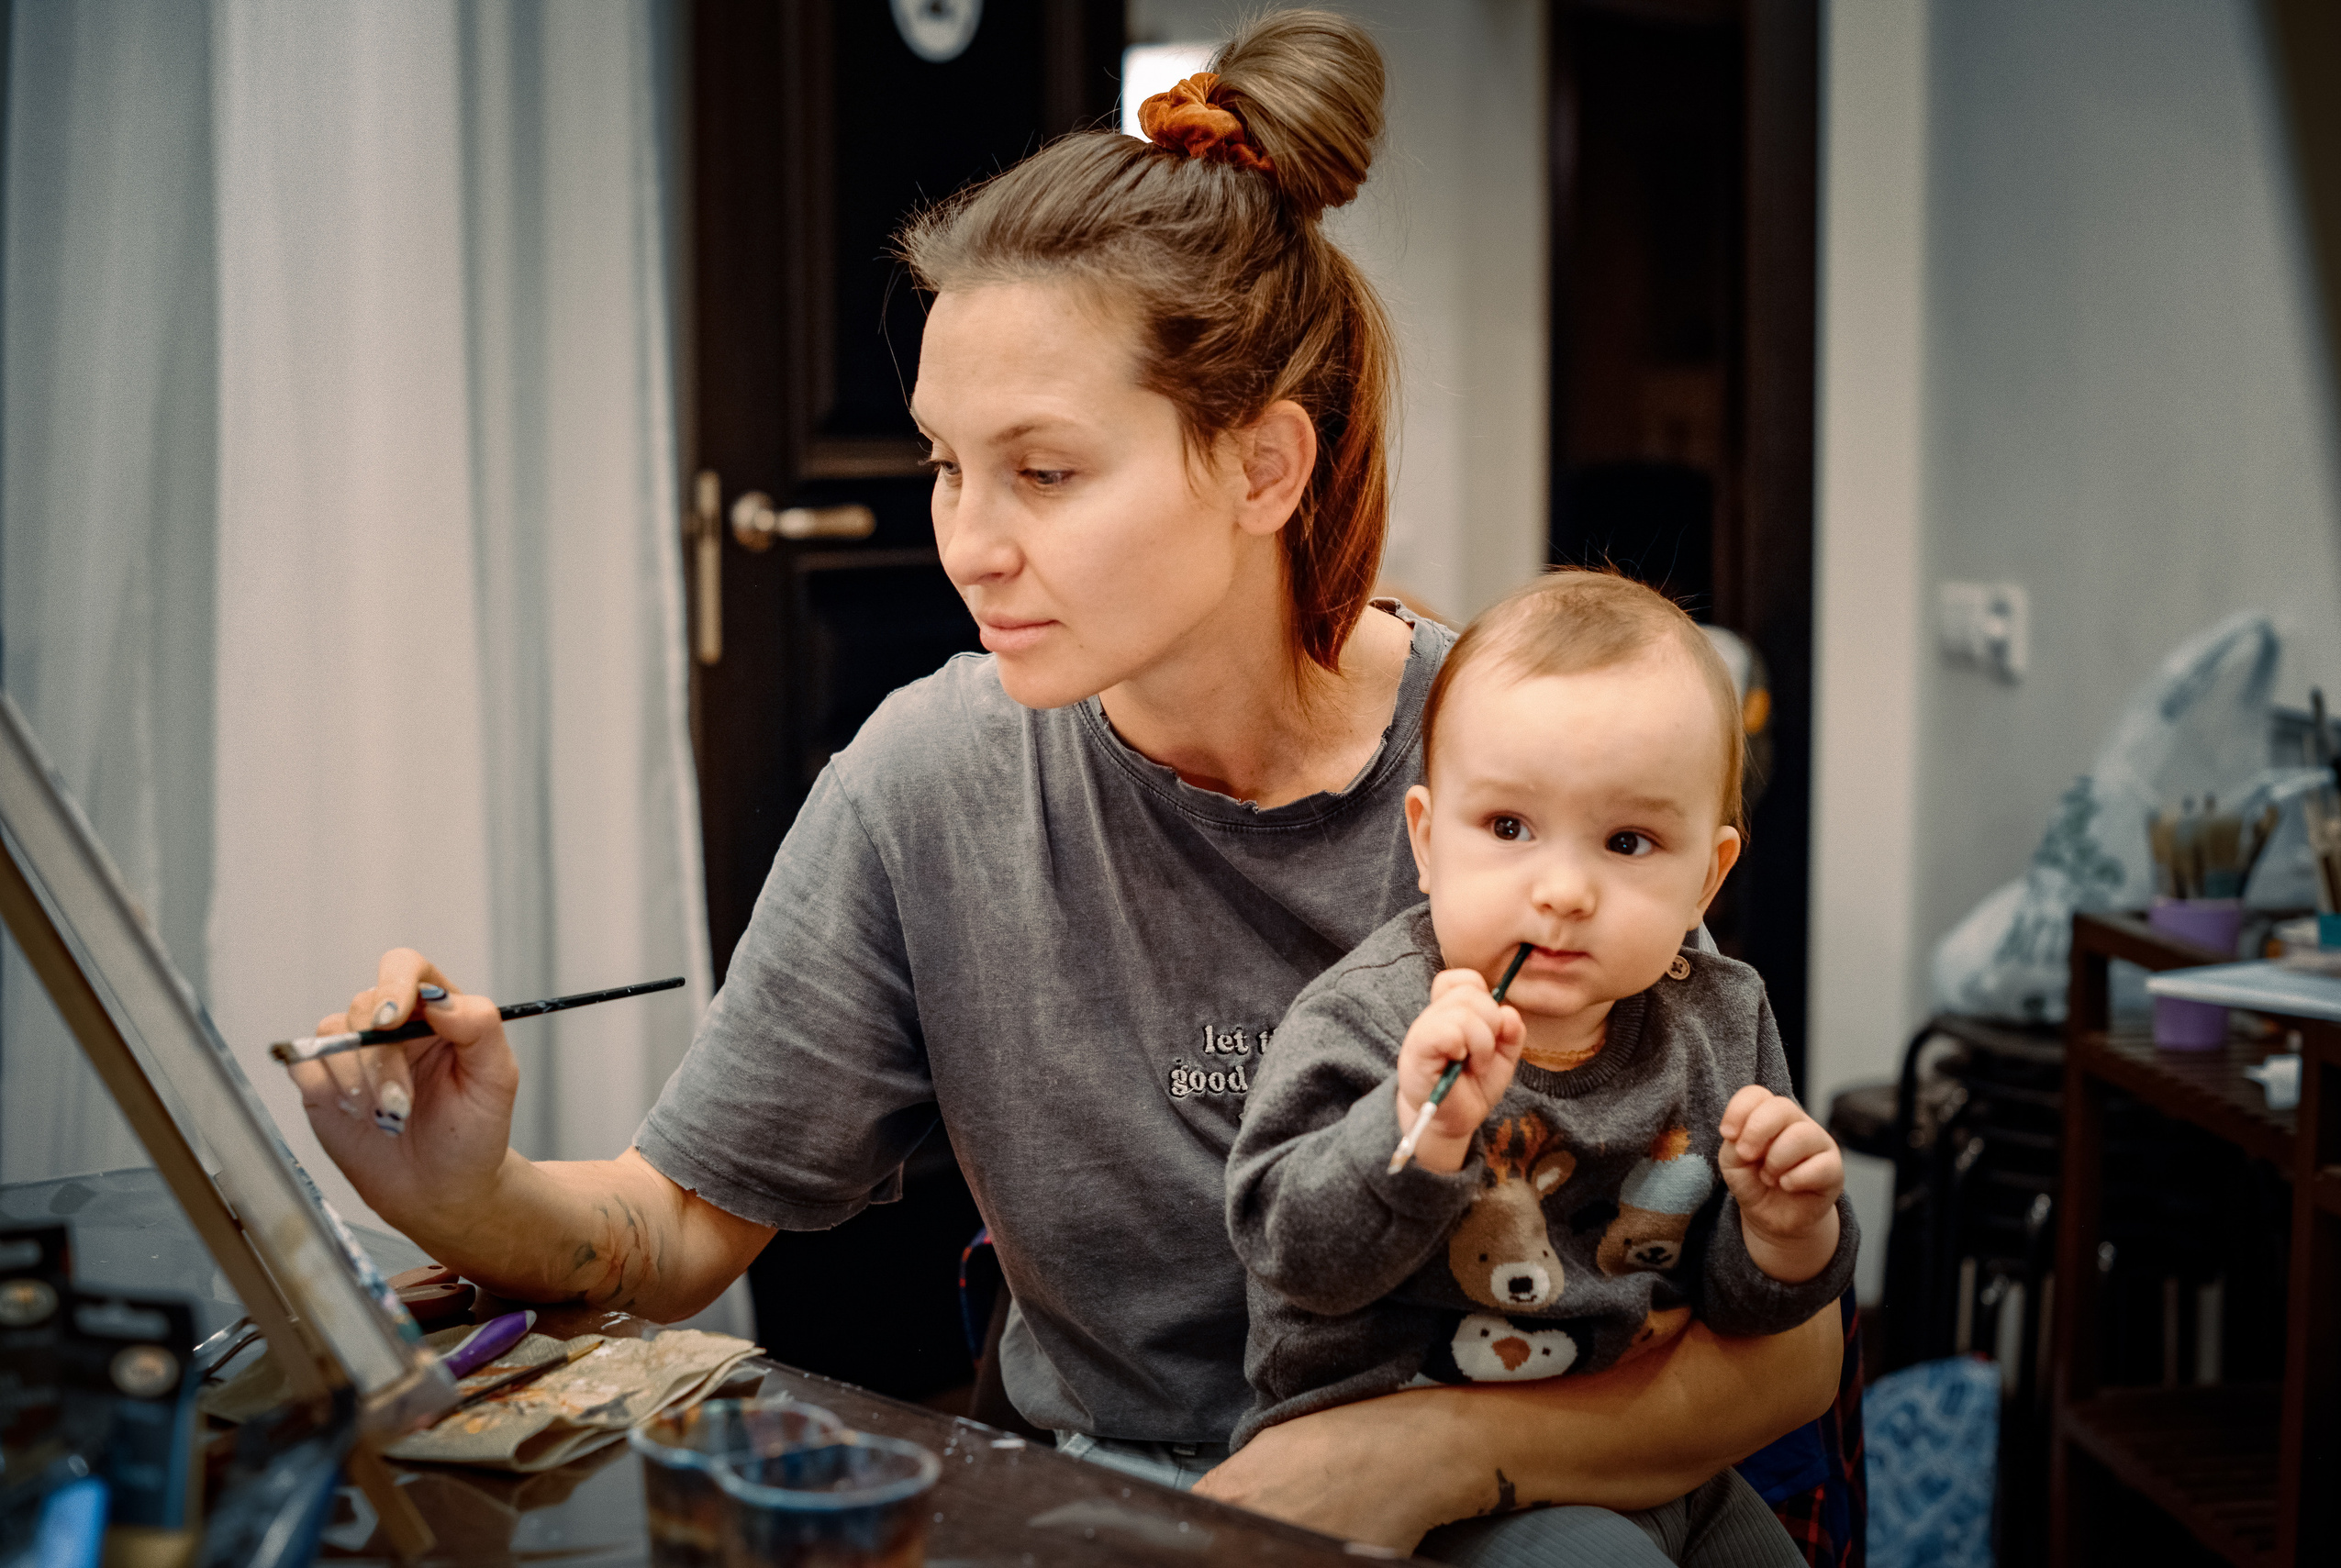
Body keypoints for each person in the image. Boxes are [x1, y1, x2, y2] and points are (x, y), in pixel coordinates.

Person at [286, 11, 1840, 1557]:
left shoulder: (1523, 774)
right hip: (1128, 1500)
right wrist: (461, 1186)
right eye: (945, 464)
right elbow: (677, 1225)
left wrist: (1432, 1448)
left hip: (1530, 1499)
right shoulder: (929, 780)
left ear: (1263, 469)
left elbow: (1790, 1339)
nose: (969, 539)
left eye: (1043, 469)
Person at [1226, 571, 1855, 1565]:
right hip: (1419, 1491)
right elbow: (1286, 1252)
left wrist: (1787, 1231)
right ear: (1428, 841)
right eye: (1509, 827)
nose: (1561, 890)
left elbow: (1744, 1310)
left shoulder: (1721, 1014)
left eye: (1628, 840)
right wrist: (1415, 1132)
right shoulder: (1372, 1016)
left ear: (1708, 873)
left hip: (1639, 1452)